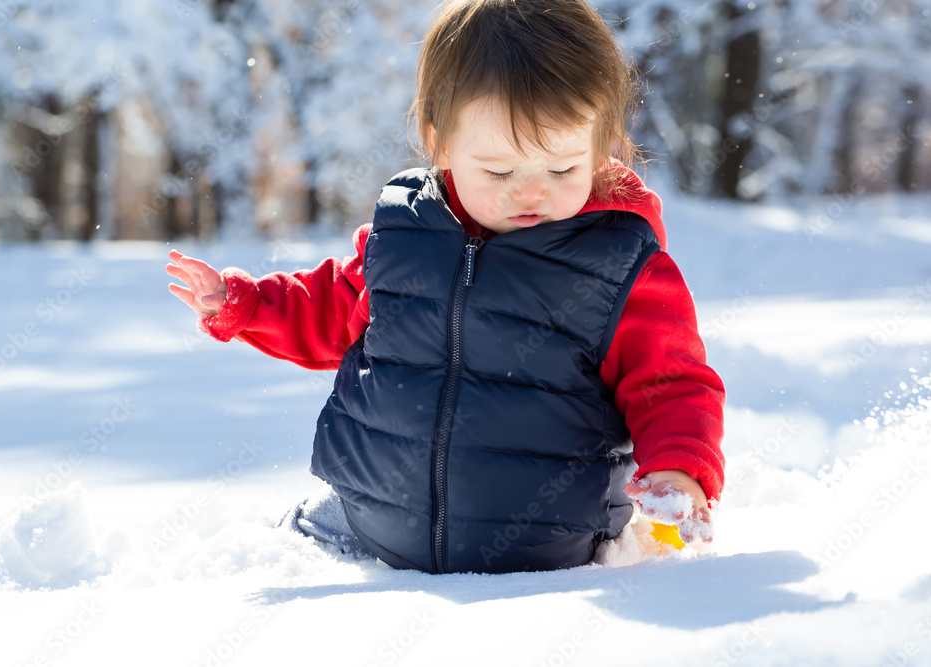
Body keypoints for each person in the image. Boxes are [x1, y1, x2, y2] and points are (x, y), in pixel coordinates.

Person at [166, 0, 724, 574]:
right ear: (441, 143)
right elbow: (330, 307)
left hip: (541, 556)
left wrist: (679, 467)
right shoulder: (406, 235)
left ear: (600, 144)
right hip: (365, 525)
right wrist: (248, 304)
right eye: (499, 171)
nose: (529, 192)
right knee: (252, 567)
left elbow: (672, 383)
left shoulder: (620, 267)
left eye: (561, 170)